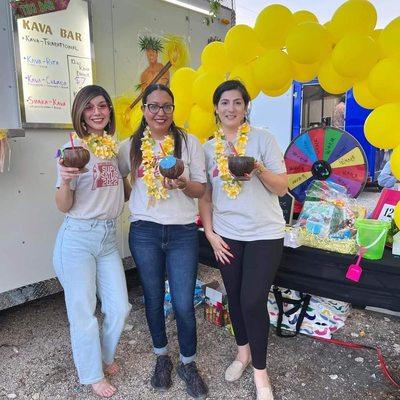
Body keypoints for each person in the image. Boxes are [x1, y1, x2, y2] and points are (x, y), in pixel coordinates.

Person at [199, 80, 288, 400]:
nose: (231, 108)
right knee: (234, 297)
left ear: (247, 106)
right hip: (227, 234)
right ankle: (243, 354)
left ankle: (261, 375)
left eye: (238, 102)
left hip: (265, 233)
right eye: (224, 102)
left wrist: (260, 169)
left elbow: (281, 187)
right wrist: (209, 233)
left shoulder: (263, 139)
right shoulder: (209, 148)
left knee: (252, 300)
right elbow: (206, 197)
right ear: (216, 108)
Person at [118, 84, 208, 399]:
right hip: (144, 232)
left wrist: (183, 184)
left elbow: (200, 190)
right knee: (154, 298)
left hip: (183, 232)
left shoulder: (189, 143)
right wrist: (132, 190)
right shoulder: (129, 146)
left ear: (173, 109)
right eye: (153, 106)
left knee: (183, 302)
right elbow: (116, 183)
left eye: (166, 106)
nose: (160, 113)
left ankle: (188, 363)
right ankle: (161, 356)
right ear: (143, 109)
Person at [53, 85, 132, 398]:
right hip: (78, 239)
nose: (97, 112)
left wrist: (130, 178)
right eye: (89, 107)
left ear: (110, 111)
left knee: (120, 307)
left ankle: (104, 355)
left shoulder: (113, 149)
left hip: (108, 238)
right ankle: (92, 373)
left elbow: (122, 192)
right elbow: (62, 204)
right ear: (81, 113)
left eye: (103, 106)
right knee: (84, 312)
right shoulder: (70, 149)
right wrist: (66, 180)